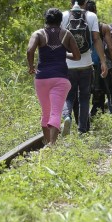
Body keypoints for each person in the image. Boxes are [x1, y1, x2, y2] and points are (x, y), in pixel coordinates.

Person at [27, 8, 81, 145]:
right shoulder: (66, 34)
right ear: (60, 20)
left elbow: (30, 50)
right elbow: (77, 56)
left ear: (46, 19)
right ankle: (52, 144)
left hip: (42, 78)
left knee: (46, 112)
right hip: (60, 78)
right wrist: (63, 54)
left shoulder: (38, 34)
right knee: (56, 112)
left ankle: (46, 142)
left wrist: (31, 67)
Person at [60, 0, 108, 135]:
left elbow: (59, 40)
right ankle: (83, 130)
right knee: (85, 97)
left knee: (69, 96)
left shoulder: (63, 16)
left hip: (68, 64)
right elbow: (96, 39)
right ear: (85, 3)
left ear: (71, 2)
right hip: (86, 64)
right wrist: (103, 62)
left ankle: (67, 116)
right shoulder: (91, 16)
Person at [86, 0, 112, 117]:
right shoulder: (102, 27)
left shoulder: (80, 26)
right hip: (101, 63)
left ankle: (90, 117)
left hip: (84, 63)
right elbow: (111, 48)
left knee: (88, 93)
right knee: (109, 92)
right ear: (95, 11)